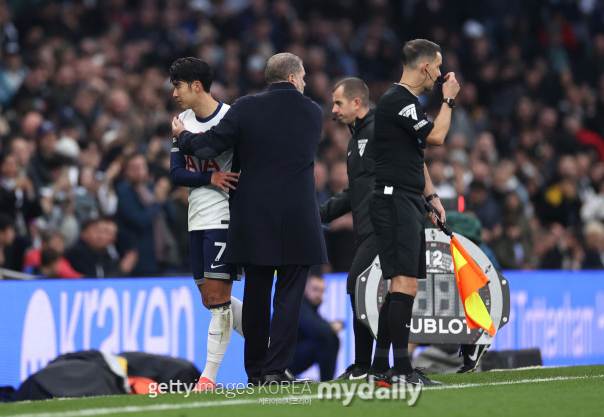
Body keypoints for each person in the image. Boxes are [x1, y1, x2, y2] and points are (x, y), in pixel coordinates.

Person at [173, 52, 327, 385]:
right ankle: (276, 370)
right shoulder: (314, 112)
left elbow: (207, 148)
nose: (304, 83)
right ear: (291, 78)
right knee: (288, 297)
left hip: (254, 216)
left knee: (258, 293)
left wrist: (183, 136)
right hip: (299, 216)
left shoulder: (245, 107)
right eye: (302, 78)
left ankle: (256, 372)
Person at [368, 39, 459, 386]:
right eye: (437, 67)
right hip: (393, 201)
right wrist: (448, 99)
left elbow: (414, 156)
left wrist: (431, 195)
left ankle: (380, 367)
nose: (439, 74)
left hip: (405, 199)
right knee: (403, 284)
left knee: (400, 287)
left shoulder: (407, 103)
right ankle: (402, 371)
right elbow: (436, 137)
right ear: (424, 67)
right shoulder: (399, 101)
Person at [168, 57, 244, 391]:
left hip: (224, 215)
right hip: (196, 216)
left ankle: (208, 378)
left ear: (196, 86)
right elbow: (176, 173)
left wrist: (210, 178)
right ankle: (269, 341)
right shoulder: (182, 121)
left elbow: (221, 153)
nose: (174, 94)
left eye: (178, 86)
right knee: (209, 298)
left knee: (218, 299)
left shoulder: (229, 118)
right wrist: (208, 176)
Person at [319, 77, 377, 379]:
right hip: (367, 231)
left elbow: (413, 165)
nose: (334, 110)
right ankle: (369, 365)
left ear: (357, 103)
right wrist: (318, 214)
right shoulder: (356, 141)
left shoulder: (380, 130)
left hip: (386, 228)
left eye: (338, 103)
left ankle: (370, 365)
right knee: (364, 290)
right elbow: (353, 193)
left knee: (359, 285)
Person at [289, 273, 342, 381]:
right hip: (280, 362)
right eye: (315, 289)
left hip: (288, 358)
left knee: (330, 338)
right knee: (328, 340)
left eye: (322, 291)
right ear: (305, 288)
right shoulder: (299, 304)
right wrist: (332, 327)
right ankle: (327, 382)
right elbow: (318, 330)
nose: (319, 294)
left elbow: (318, 326)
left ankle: (327, 381)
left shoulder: (308, 306)